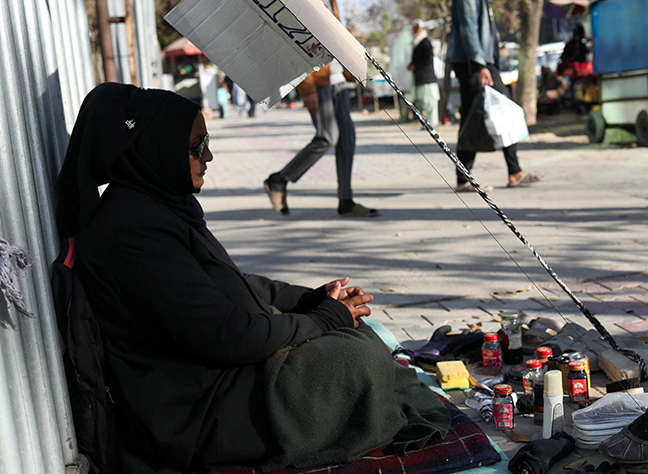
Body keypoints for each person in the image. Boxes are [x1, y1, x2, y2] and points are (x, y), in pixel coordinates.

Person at [54, 83, 449, 474]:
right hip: (197, 411)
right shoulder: (132, 231)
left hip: (224, 373)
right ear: (153, 149)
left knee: (359, 331)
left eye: (205, 142)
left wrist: (312, 299)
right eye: (195, 148)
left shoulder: (157, 206)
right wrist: (324, 319)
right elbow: (226, 336)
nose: (208, 156)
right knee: (353, 358)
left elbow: (230, 280)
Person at [263, 0, 378, 217]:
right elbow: (292, 41)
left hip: (338, 78)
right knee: (327, 136)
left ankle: (346, 201)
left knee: (347, 137)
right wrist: (307, 87)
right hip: (318, 80)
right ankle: (279, 179)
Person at [449, 0, 542, 191]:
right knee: (494, 111)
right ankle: (504, 173)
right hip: (475, 63)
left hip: (480, 62)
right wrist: (481, 66)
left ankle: (505, 172)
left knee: (488, 113)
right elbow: (469, 29)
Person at [407, 19, 440, 128]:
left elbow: (428, 59)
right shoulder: (417, 42)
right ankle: (427, 123)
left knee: (430, 102)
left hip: (427, 78)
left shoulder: (425, 42)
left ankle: (433, 124)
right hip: (420, 78)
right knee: (423, 103)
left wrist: (416, 65)